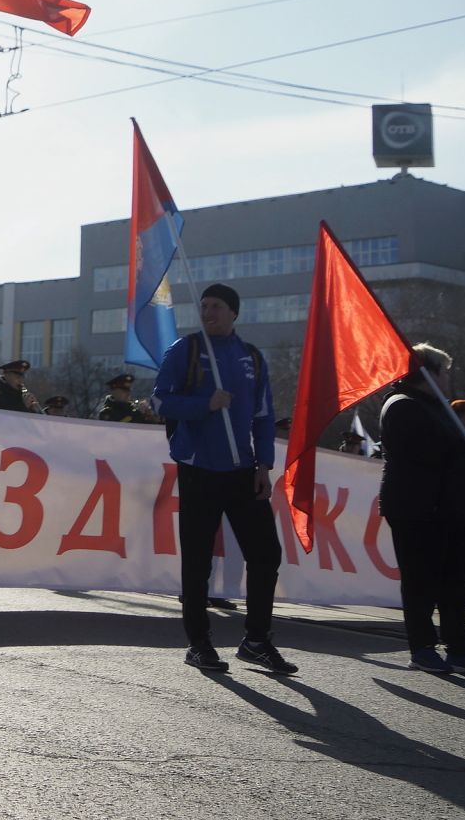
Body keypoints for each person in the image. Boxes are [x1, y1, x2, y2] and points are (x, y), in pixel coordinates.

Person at [153, 283, 292, 675]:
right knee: (197, 563)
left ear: (233, 312)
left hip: (243, 472)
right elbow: (160, 400)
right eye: (204, 306)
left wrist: (264, 465)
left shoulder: (251, 357)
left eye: (216, 306)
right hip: (199, 470)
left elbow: (264, 416)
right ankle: (199, 643)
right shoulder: (186, 350)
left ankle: (257, 640)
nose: (208, 312)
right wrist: (204, 405)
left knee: (266, 554)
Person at [376, 344, 465, 677]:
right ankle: (422, 647)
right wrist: (461, 445)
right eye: (444, 371)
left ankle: (460, 649)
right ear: (428, 373)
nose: (448, 378)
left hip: (449, 512)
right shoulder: (402, 405)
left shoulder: (436, 407)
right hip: (419, 509)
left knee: (455, 585)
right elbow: (420, 451)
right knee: (420, 582)